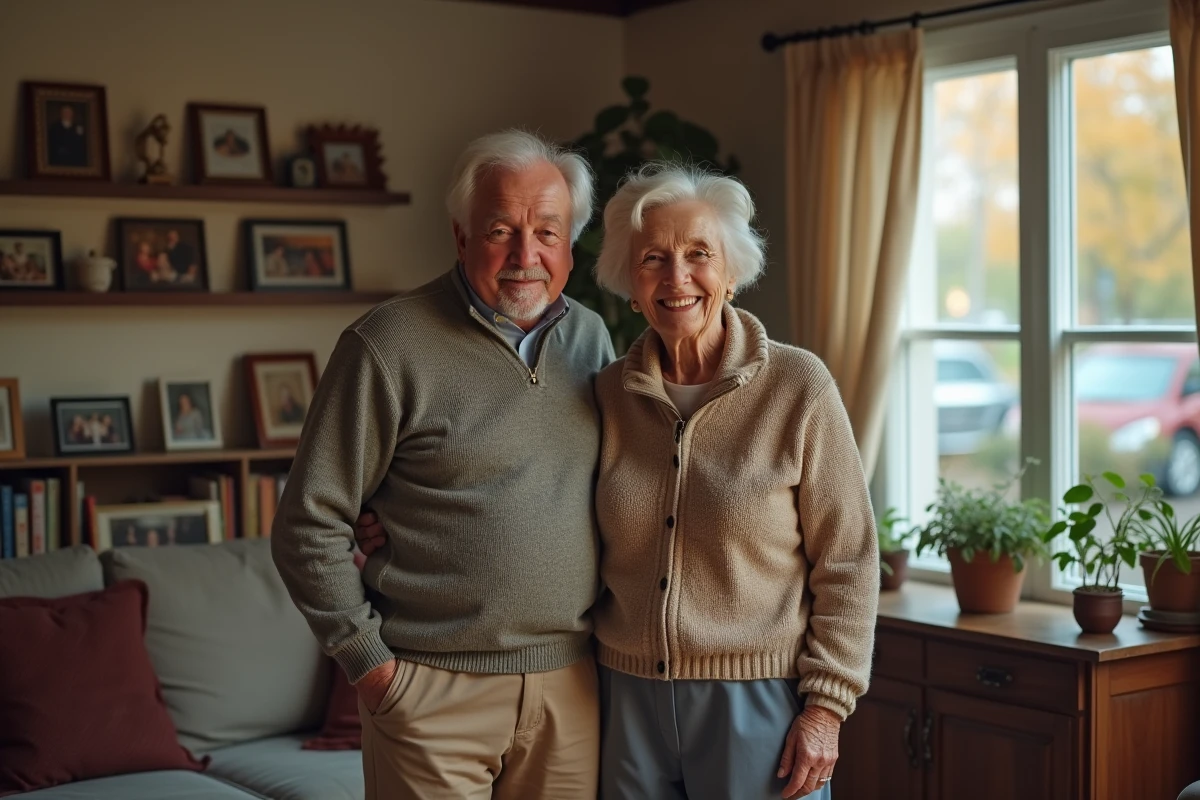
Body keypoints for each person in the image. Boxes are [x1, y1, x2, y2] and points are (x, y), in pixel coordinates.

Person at [270, 129, 614, 800]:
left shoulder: (592, 340)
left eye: (547, 232)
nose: (525, 255)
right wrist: (374, 671)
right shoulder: (387, 343)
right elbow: (306, 524)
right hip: (431, 693)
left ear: (570, 243)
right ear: (460, 236)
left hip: (572, 690)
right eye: (498, 231)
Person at [586, 163, 877, 799]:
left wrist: (826, 709)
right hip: (625, 698)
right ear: (629, 283)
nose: (677, 277)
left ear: (733, 272)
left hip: (757, 701)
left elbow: (849, 557)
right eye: (654, 259)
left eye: (699, 254)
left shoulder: (798, 387)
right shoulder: (607, 395)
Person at [46, 103, 88, 167]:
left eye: (69, 112)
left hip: (75, 160)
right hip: (59, 160)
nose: (67, 114)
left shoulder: (79, 127)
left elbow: (82, 144)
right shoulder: (54, 127)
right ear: (61, 113)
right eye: (65, 112)